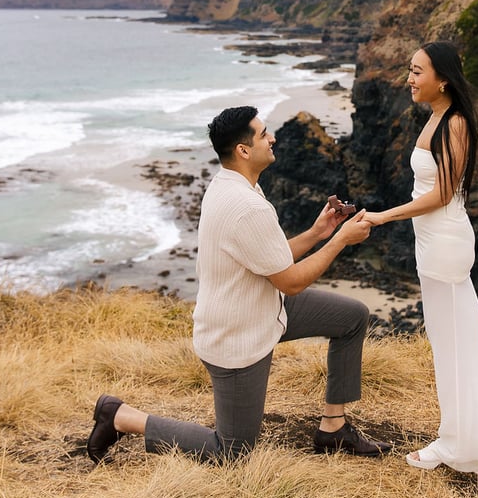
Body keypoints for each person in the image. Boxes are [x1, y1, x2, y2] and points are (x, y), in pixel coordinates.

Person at [87, 105, 391, 463]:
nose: (272, 138)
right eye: (264, 134)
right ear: (243, 150)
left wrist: (317, 233)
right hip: (236, 336)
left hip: (264, 309)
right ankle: (120, 416)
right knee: (232, 452)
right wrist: (340, 240)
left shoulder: (230, 185)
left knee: (351, 317)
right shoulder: (248, 206)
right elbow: (291, 282)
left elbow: (271, 259)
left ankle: (333, 428)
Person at [363, 41, 478, 475]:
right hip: (433, 240)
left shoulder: (456, 123)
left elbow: (443, 193)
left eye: (417, 71)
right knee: (460, 338)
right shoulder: (436, 117)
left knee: (452, 345)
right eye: (410, 70)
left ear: (442, 79)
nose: (409, 79)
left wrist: (384, 215)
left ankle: (461, 444)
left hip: (445, 242)